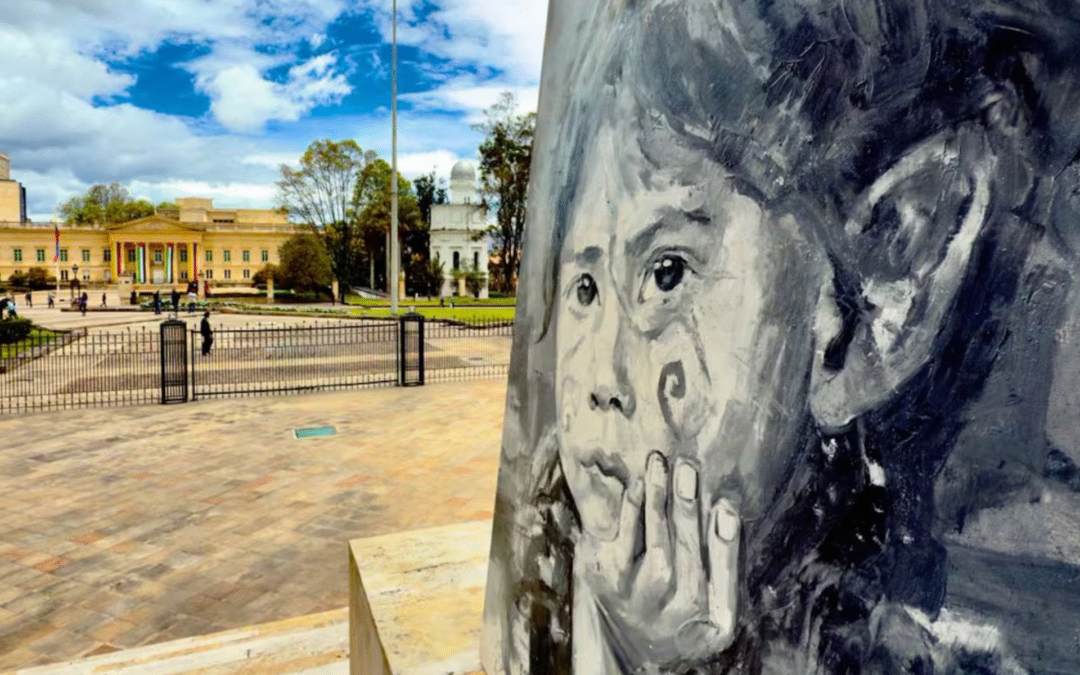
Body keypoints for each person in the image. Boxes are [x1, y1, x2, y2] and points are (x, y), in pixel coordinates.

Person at [487, 1, 1080, 673]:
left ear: (876, 304)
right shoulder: (543, 539)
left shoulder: (894, 654)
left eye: (668, 272)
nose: (600, 379)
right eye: (585, 289)